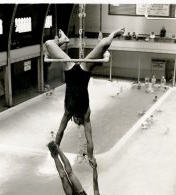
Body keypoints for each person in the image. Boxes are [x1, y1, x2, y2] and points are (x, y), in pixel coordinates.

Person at [45, 28, 125, 166]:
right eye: (77, 121)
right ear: (78, 120)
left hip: (70, 69)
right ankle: (114, 33)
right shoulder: (85, 114)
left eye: (75, 121)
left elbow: (59, 134)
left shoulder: (68, 112)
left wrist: (55, 150)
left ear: (73, 120)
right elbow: (89, 140)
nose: (76, 120)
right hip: (83, 70)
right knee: (103, 45)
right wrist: (90, 157)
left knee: (48, 43)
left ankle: (63, 40)